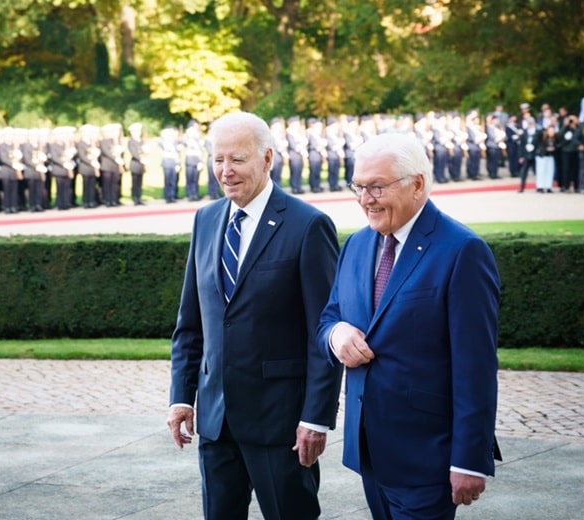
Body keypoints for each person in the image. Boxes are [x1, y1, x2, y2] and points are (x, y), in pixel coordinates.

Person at [167, 111, 343, 520]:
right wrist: (181, 397)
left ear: (267, 159)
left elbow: (324, 333)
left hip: (280, 425)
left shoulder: (308, 225)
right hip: (215, 422)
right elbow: (191, 324)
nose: (225, 172)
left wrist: (316, 418)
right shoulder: (205, 220)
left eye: (237, 160)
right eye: (218, 159)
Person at [317, 132, 501, 520]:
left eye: (377, 187)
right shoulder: (355, 245)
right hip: (369, 452)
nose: (365, 199)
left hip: (427, 459)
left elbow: (476, 367)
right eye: (359, 186)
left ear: (417, 184)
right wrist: (337, 335)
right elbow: (329, 317)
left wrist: (470, 460)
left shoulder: (462, 251)